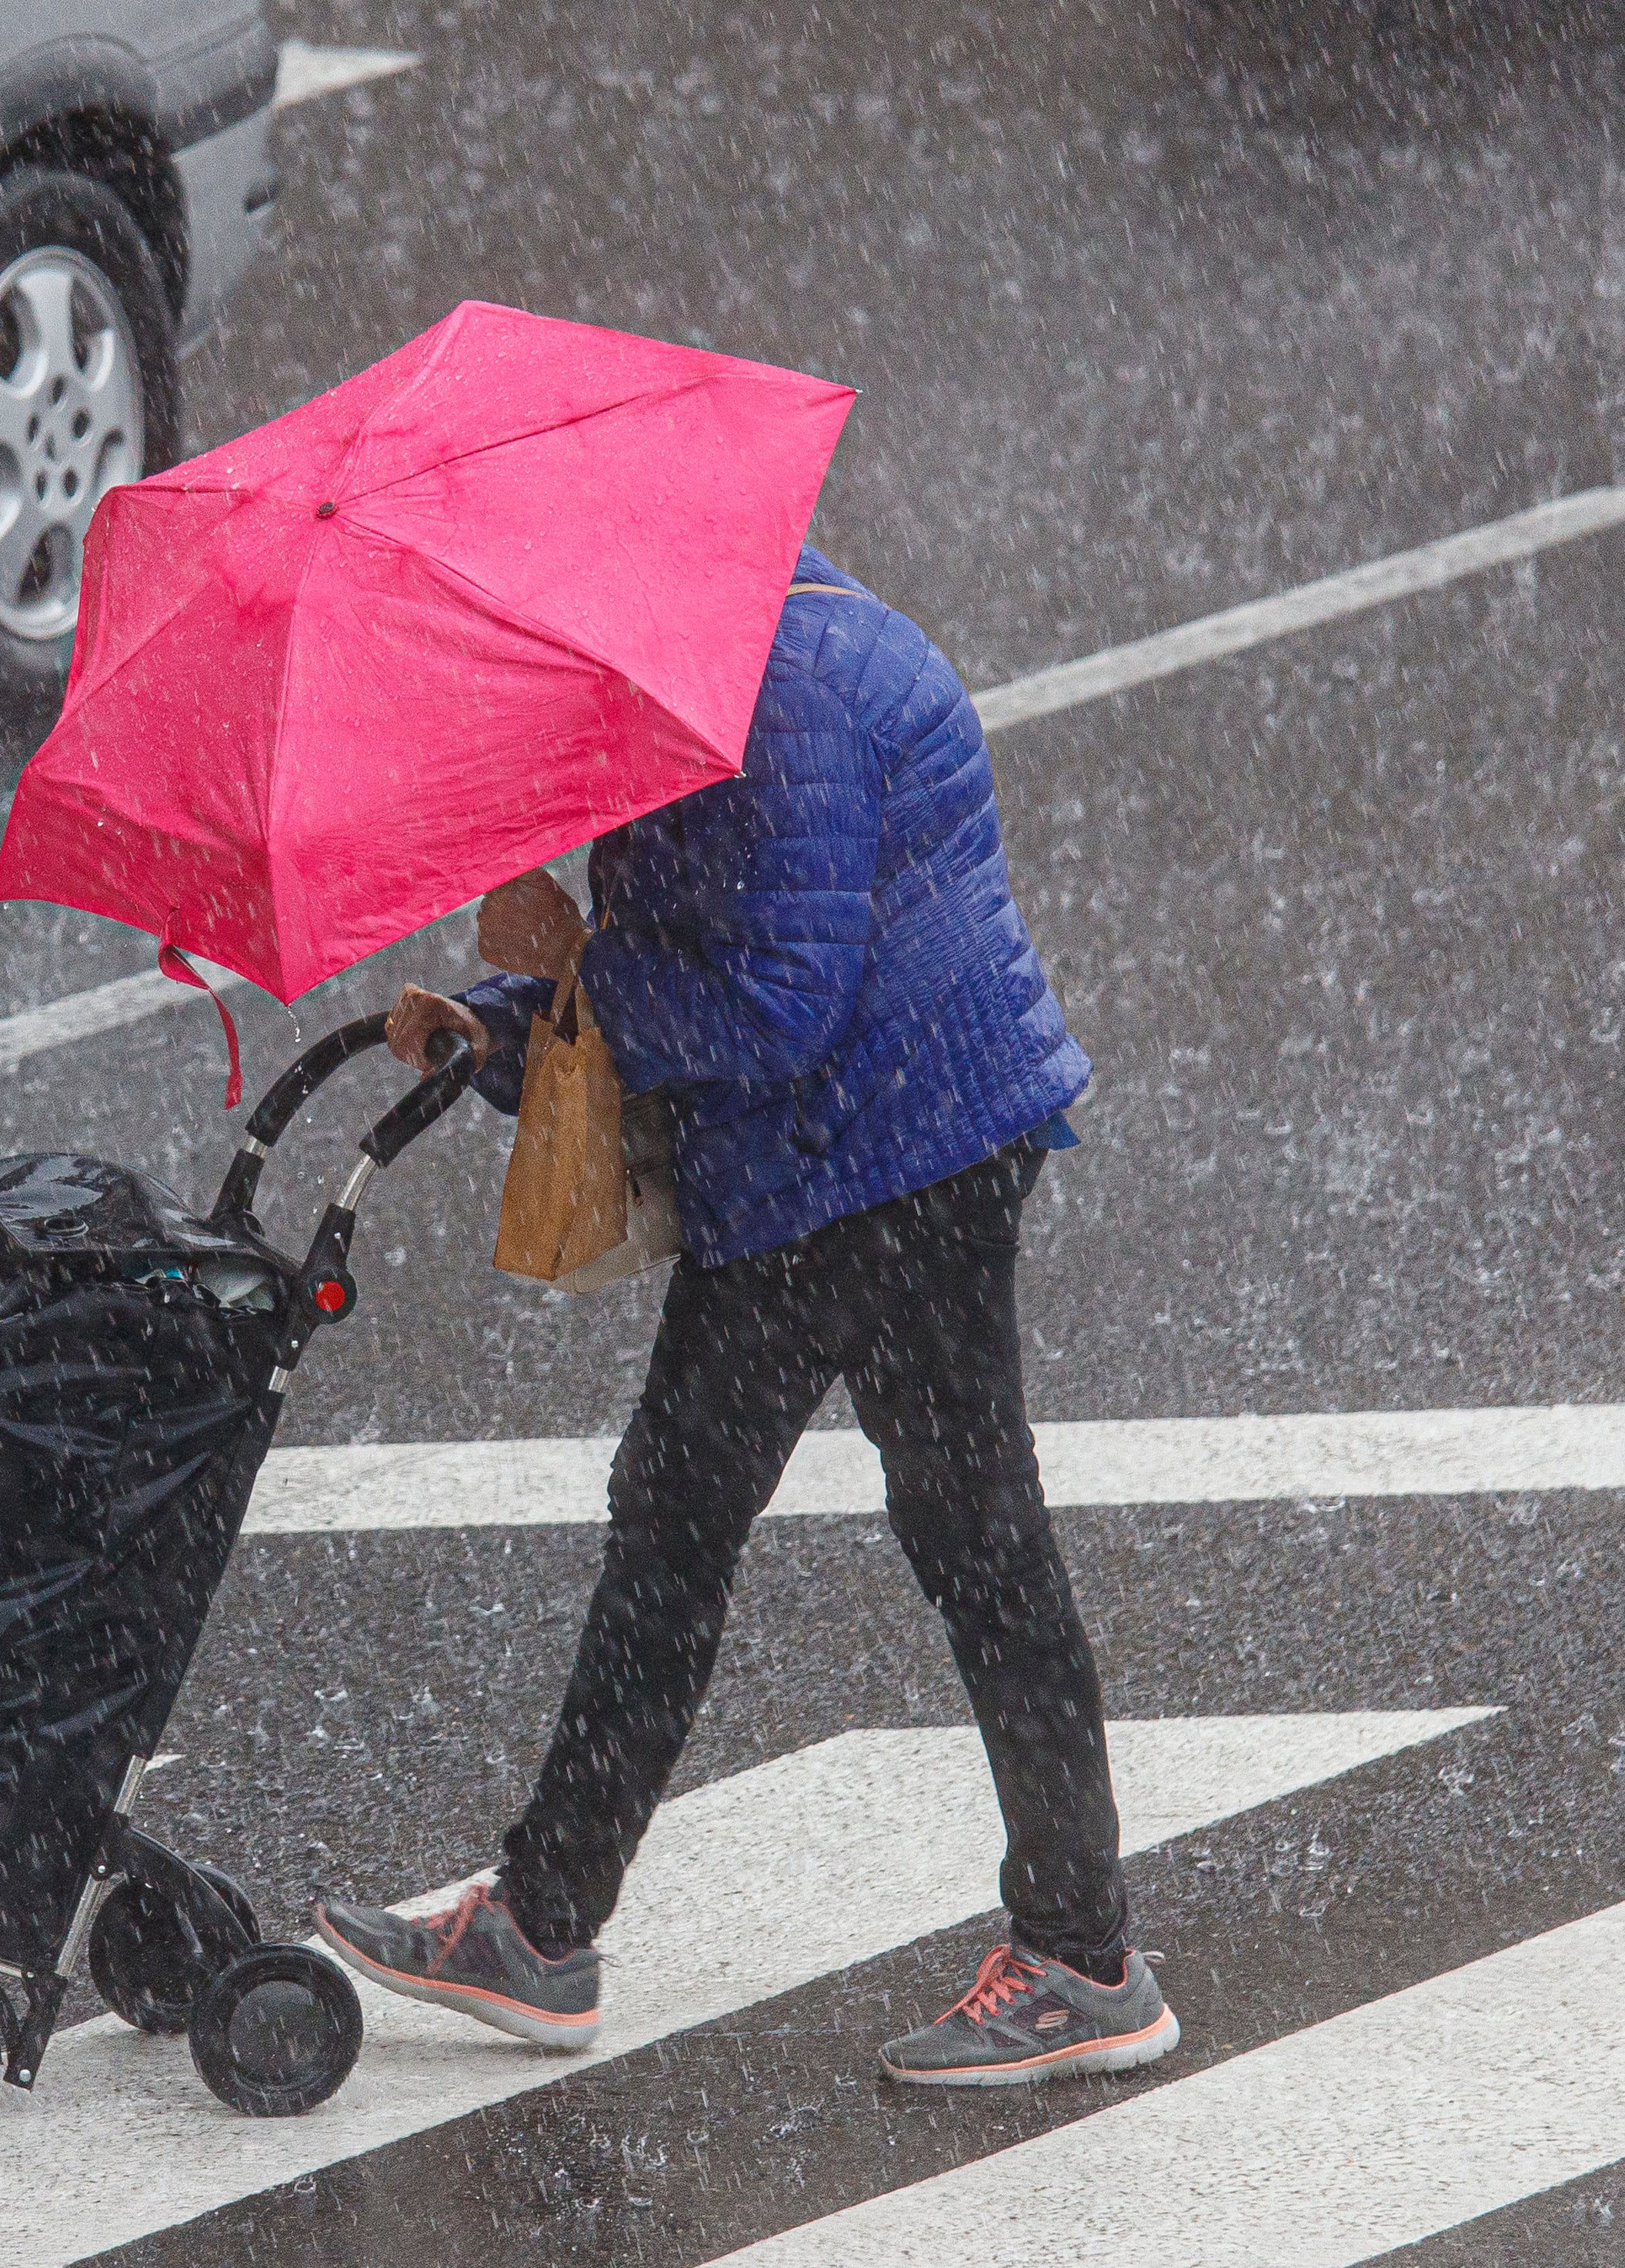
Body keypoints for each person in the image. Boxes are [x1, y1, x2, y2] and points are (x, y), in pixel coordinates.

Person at [314, 544, 1175, 2091]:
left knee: (935, 1534)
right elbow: (706, 948)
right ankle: (549, 1921)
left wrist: (574, 971)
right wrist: (508, 1025)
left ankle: (1081, 1953)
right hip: (834, 1151)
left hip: (897, 1151)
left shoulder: (777, 701)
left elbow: (772, 996)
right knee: (716, 1519)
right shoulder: (693, 675)